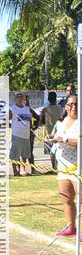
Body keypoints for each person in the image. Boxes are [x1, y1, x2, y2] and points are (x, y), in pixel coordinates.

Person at [47, 93, 80, 236]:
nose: (74, 107)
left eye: (77, 104)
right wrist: (51, 138)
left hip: (78, 165)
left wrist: (64, 140)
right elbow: (56, 136)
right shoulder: (62, 121)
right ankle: (71, 227)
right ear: (66, 107)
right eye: (71, 104)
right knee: (66, 198)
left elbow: (78, 142)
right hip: (63, 166)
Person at [9, 93, 34, 176]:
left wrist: (31, 133)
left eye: (21, 97)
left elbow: (30, 122)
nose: (19, 98)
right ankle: (15, 171)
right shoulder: (12, 109)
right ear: (15, 99)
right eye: (18, 97)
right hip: (17, 135)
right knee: (15, 154)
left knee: (24, 155)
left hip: (26, 135)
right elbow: (6, 120)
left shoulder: (27, 109)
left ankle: (23, 170)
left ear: (24, 99)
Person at [40, 92, 62, 171]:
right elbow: (61, 118)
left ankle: (53, 167)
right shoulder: (60, 108)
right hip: (59, 131)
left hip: (49, 133)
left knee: (51, 152)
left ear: (48, 99)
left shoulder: (45, 110)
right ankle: (58, 166)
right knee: (59, 150)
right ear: (55, 98)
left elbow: (41, 121)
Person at [23, 95, 40, 173]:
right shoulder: (18, 110)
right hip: (21, 134)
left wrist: (35, 127)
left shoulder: (29, 110)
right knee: (22, 152)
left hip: (30, 134)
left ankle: (33, 169)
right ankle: (22, 169)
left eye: (27, 101)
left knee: (30, 152)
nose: (26, 102)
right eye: (24, 100)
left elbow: (38, 117)